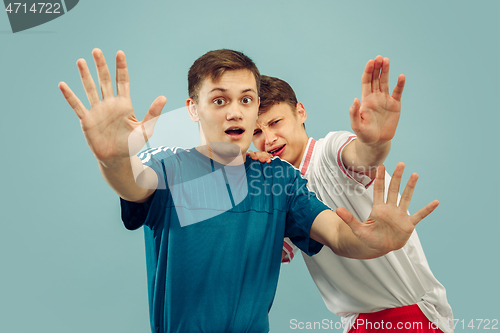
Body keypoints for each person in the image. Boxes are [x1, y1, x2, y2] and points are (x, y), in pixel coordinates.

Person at [58, 49, 439, 333]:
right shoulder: (170, 165)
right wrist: (113, 158)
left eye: (246, 100)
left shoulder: (281, 180)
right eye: (219, 100)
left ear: (256, 105)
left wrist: (378, 242)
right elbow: (132, 183)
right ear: (193, 109)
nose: (235, 111)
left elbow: (340, 235)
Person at [250, 57, 453, 333]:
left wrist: (375, 142)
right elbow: (262, 253)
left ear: (300, 112)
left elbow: (362, 156)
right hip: (357, 323)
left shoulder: (330, 150)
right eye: (256, 132)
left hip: (410, 313)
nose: (269, 138)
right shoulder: (277, 189)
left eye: (275, 122)